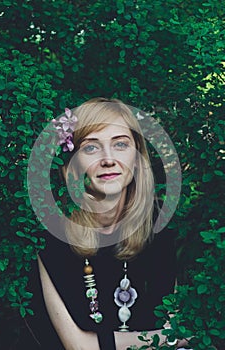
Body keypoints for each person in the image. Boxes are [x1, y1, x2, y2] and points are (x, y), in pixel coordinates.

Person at [25, 98, 187, 350]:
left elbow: (177, 331)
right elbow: (77, 346)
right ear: (73, 165)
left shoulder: (159, 221)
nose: (108, 159)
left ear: (136, 157)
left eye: (121, 144)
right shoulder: (51, 232)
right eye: (91, 148)